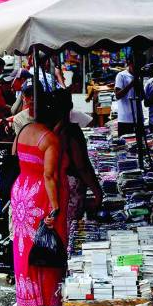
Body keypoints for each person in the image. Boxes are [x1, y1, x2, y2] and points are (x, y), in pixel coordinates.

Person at [11, 91, 69, 306]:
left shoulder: (24, 130)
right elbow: (50, 176)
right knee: (47, 244)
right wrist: (55, 208)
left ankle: (31, 299)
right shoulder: (50, 139)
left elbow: (14, 153)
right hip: (40, 195)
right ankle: (43, 303)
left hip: (22, 190)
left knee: (26, 246)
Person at [53, 89, 104, 230]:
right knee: (69, 229)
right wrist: (97, 192)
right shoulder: (70, 132)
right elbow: (82, 166)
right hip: (70, 190)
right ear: (70, 105)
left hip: (54, 189)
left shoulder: (46, 130)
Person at [114, 55, 138, 136]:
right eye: (135, 65)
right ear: (129, 63)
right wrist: (131, 84)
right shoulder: (121, 76)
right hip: (125, 119)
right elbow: (117, 95)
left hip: (137, 118)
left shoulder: (138, 76)